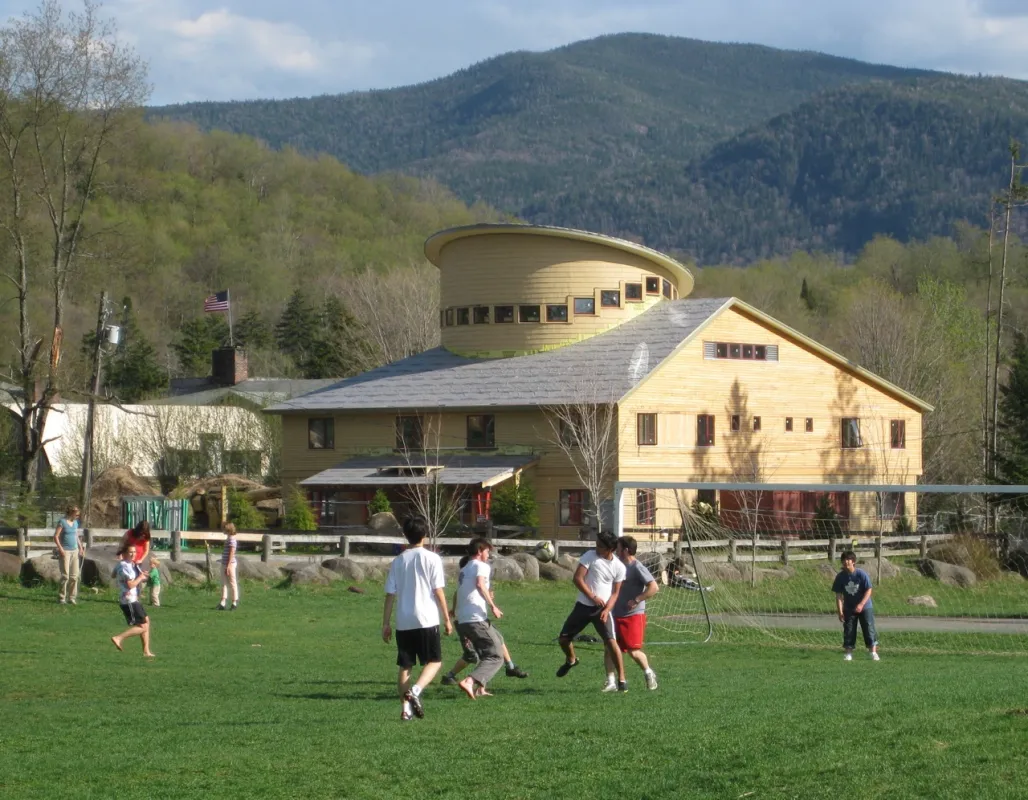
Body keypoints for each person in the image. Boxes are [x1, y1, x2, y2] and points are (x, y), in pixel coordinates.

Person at [382, 516, 452, 721]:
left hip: (404, 620)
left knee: (405, 665)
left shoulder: (398, 560)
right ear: (425, 535)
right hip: (427, 619)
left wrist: (385, 623)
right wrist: (447, 619)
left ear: (406, 535)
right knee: (435, 661)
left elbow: (390, 594)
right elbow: (438, 591)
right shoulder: (432, 558)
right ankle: (416, 691)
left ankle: (405, 709)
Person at [555, 530, 628, 692]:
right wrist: (593, 597)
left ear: (611, 549)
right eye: (597, 544)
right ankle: (571, 660)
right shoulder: (590, 556)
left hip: (602, 610)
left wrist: (606, 609)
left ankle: (622, 680)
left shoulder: (619, 567)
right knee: (563, 640)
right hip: (582, 607)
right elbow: (577, 579)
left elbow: (615, 593)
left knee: (611, 642)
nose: (597, 548)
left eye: (601, 546)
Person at [448, 539, 507, 700]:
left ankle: (481, 689)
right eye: (487, 551)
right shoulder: (482, 566)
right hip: (475, 618)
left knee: (485, 652)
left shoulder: (465, 568)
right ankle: (469, 681)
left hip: (462, 620)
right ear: (480, 550)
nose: (488, 555)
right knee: (496, 656)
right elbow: (481, 585)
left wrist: (454, 609)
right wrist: (493, 605)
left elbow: (459, 591)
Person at [614, 536, 660, 690]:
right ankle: (611, 682)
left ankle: (648, 673)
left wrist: (637, 599)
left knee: (633, 652)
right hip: (615, 614)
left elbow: (654, 587)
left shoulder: (637, 567)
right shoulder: (617, 565)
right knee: (610, 649)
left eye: (619, 548)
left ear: (626, 550)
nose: (616, 551)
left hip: (633, 615)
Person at [832, 550, 880, 661]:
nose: (845, 562)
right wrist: (840, 612)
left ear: (853, 561)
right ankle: (848, 653)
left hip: (865, 606)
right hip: (849, 607)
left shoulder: (861, 574)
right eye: (844, 560)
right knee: (849, 629)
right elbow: (839, 595)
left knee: (868, 627)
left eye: (848, 559)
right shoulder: (840, 577)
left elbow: (869, 590)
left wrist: (861, 604)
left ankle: (873, 652)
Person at [111, 544, 155, 658]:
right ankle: (118, 638)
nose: (133, 554)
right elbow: (130, 585)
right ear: (124, 554)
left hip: (132, 598)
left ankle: (146, 651)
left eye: (134, 552)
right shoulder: (126, 566)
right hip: (128, 599)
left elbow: (113, 575)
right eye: (130, 552)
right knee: (143, 627)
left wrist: (141, 575)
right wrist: (140, 578)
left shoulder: (126, 564)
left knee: (146, 621)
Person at [53, 505, 83, 605]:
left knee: (74, 576)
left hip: (74, 551)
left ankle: (72, 597)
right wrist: (60, 549)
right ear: (71, 513)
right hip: (65, 551)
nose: (78, 516)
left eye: (78, 515)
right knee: (65, 575)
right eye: (77, 514)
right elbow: (56, 536)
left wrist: (81, 547)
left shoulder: (75, 523)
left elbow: (76, 535)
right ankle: (62, 598)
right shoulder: (62, 522)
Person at [216, 522, 239, 611]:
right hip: (224, 563)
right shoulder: (228, 539)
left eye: (224, 529)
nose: (223, 530)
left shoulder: (232, 540)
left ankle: (234, 602)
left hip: (230, 564)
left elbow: (232, 553)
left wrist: (228, 566)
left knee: (232, 582)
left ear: (228, 530)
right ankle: (223, 601)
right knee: (224, 582)